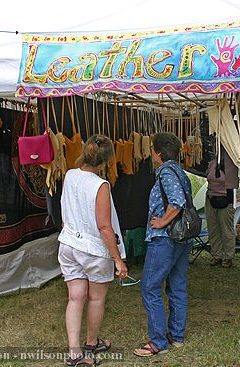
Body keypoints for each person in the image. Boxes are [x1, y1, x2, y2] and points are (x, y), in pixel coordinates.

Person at [57, 134, 128, 367]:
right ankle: (91, 342)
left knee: (75, 298)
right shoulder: (100, 185)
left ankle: (74, 352)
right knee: (96, 298)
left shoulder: (69, 175)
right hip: (93, 249)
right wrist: (118, 260)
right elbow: (105, 226)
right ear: (106, 161)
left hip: (68, 245)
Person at [134, 132, 194, 357]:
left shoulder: (166, 173)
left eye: (152, 149)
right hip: (181, 238)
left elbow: (177, 202)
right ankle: (176, 336)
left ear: (158, 153)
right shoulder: (179, 171)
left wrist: (161, 222)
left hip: (165, 239)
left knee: (150, 287)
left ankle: (158, 341)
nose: (150, 153)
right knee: (177, 285)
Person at [205, 145, 238, 268]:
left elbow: (234, 183)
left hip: (226, 199)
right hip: (210, 198)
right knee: (213, 228)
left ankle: (228, 257)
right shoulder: (212, 163)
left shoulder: (232, 165)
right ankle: (217, 255)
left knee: (226, 230)